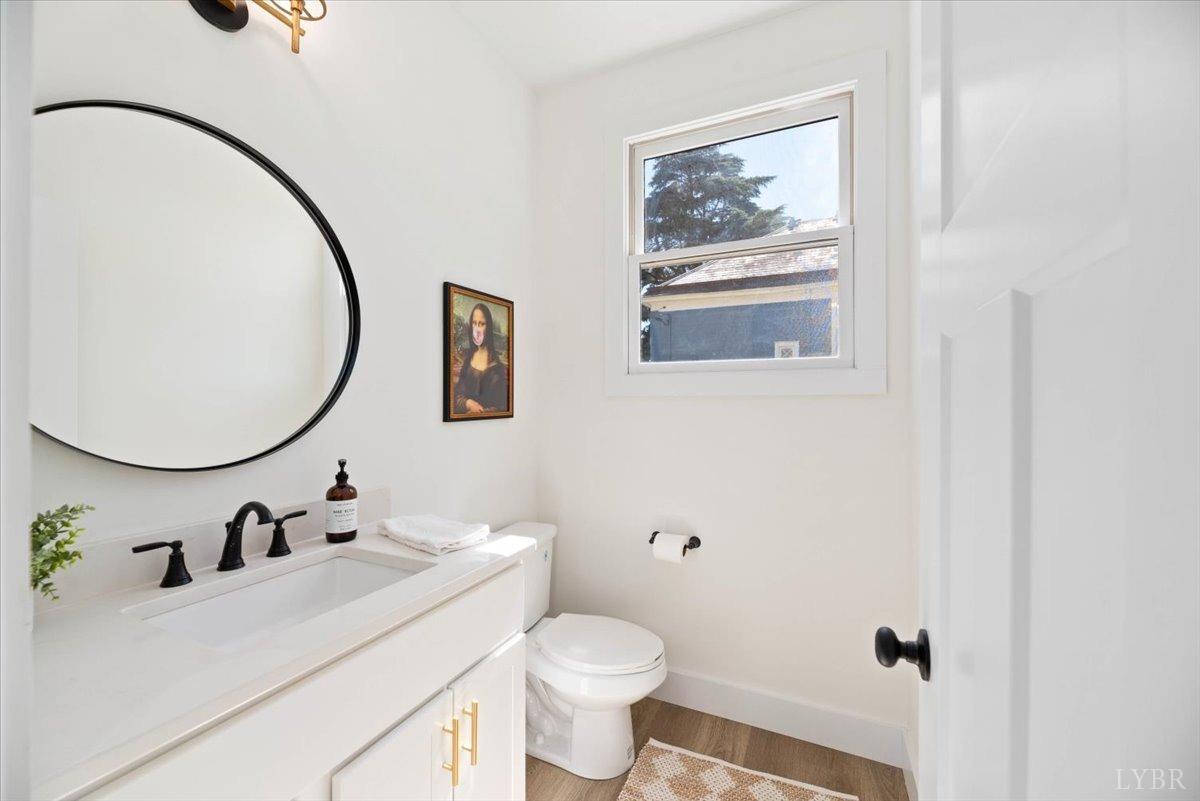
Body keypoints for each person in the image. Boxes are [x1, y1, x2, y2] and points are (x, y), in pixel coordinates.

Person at [454, 302, 508, 414]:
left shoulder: (497, 367)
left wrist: (480, 413)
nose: (477, 329)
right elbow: (456, 395)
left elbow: (503, 406)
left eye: (481, 324)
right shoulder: (468, 359)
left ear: (488, 328)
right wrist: (467, 403)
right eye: (474, 323)